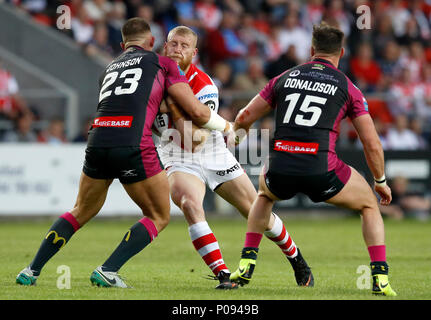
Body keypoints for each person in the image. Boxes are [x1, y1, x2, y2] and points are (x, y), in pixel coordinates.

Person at [16, 17, 232, 288]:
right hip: (133, 143)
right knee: (158, 215)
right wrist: (228, 125)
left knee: (81, 209)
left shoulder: (108, 68)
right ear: (153, 43)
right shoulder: (163, 64)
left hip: (97, 140)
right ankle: (108, 270)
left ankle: (31, 270)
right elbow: (199, 112)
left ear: (122, 45)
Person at [229, 22, 397, 297]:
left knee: (264, 194)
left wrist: (236, 137)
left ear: (311, 50)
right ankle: (379, 278)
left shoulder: (285, 77)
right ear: (341, 53)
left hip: (282, 167)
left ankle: (247, 262)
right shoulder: (347, 87)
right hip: (322, 169)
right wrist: (380, 181)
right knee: (369, 204)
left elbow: (244, 116)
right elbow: (372, 144)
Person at [153, 26, 313, 290]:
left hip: (212, 151)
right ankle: (224, 276)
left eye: (184, 46)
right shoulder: (151, 82)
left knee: (254, 211)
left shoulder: (204, 85)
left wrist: (168, 103)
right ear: (164, 47)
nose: (177, 49)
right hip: (176, 156)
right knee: (190, 205)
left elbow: (197, 141)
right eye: (173, 44)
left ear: (194, 53)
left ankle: (296, 258)